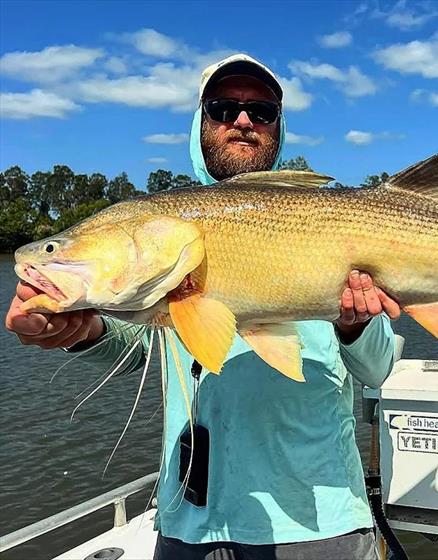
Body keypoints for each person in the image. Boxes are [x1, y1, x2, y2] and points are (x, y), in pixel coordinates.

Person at [5, 53, 401, 560]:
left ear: (279, 129)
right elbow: (142, 342)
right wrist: (83, 332)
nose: (242, 121)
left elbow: (379, 367)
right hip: (190, 524)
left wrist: (355, 324)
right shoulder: (166, 236)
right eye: (222, 107)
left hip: (317, 523)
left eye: (261, 112)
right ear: (200, 124)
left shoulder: (324, 220)